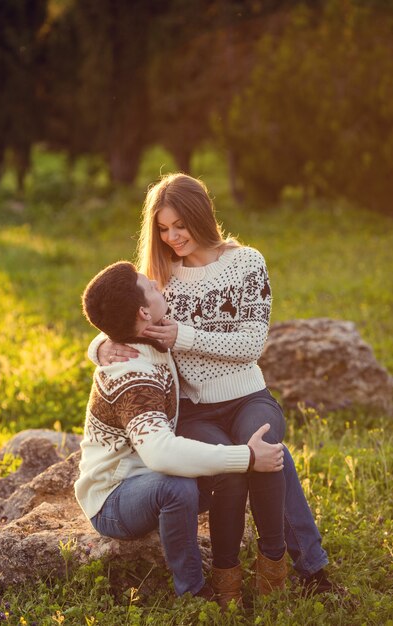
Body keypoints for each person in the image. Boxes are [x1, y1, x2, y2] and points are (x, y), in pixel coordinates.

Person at [90, 173, 334, 600]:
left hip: (248, 395)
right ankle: (228, 578)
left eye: (179, 225)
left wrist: (181, 336)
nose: (172, 237)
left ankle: (291, 567)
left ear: (201, 215)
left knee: (271, 454)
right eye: (163, 229)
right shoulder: (160, 276)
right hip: (196, 408)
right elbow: (118, 313)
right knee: (241, 464)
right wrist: (100, 345)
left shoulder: (247, 263)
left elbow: (251, 344)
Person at [75, 260, 286, 604]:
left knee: (224, 473)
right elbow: (160, 454)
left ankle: (230, 573)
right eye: (150, 286)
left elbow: (115, 320)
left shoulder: (147, 336)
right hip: (114, 499)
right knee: (177, 486)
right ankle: (194, 592)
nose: (159, 285)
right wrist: (246, 456)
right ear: (144, 312)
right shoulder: (130, 375)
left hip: (148, 480)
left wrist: (97, 345)